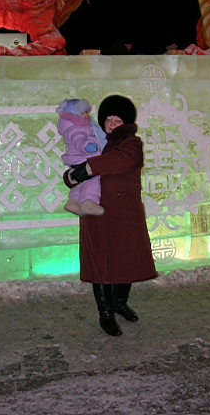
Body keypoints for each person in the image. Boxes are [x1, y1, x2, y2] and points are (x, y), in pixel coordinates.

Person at [64, 95, 157, 336]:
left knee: (125, 261)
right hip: (95, 214)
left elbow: (119, 161)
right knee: (101, 265)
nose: (112, 124)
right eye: (108, 119)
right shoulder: (92, 138)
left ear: (126, 123)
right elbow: (75, 162)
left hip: (124, 214)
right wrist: (71, 176)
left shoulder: (131, 143)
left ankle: (119, 304)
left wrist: (87, 168)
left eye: (117, 120)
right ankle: (105, 314)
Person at [56, 98, 106, 216]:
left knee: (81, 183)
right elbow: (78, 141)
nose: (85, 115)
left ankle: (73, 201)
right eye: (82, 112)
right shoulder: (76, 128)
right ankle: (88, 202)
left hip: (79, 159)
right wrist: (87, 146)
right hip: (83, 158)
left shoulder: (78, 126)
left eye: (86, 112)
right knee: (91, 179)